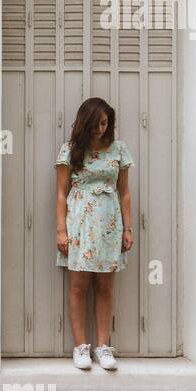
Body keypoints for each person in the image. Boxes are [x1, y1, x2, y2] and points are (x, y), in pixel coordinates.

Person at [55, 97, 134, 371]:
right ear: (85, 123)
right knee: (78, 287)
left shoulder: (118, 150)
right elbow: (61, 194)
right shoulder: (70, 150)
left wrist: (128, 227)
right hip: (79, 224)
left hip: (110, 225)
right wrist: (61, 230)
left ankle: (103, 347)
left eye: (105, 122)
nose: (101, 128)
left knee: (105, 287)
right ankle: (80, 347)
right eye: (97, 123)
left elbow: (124, 193)